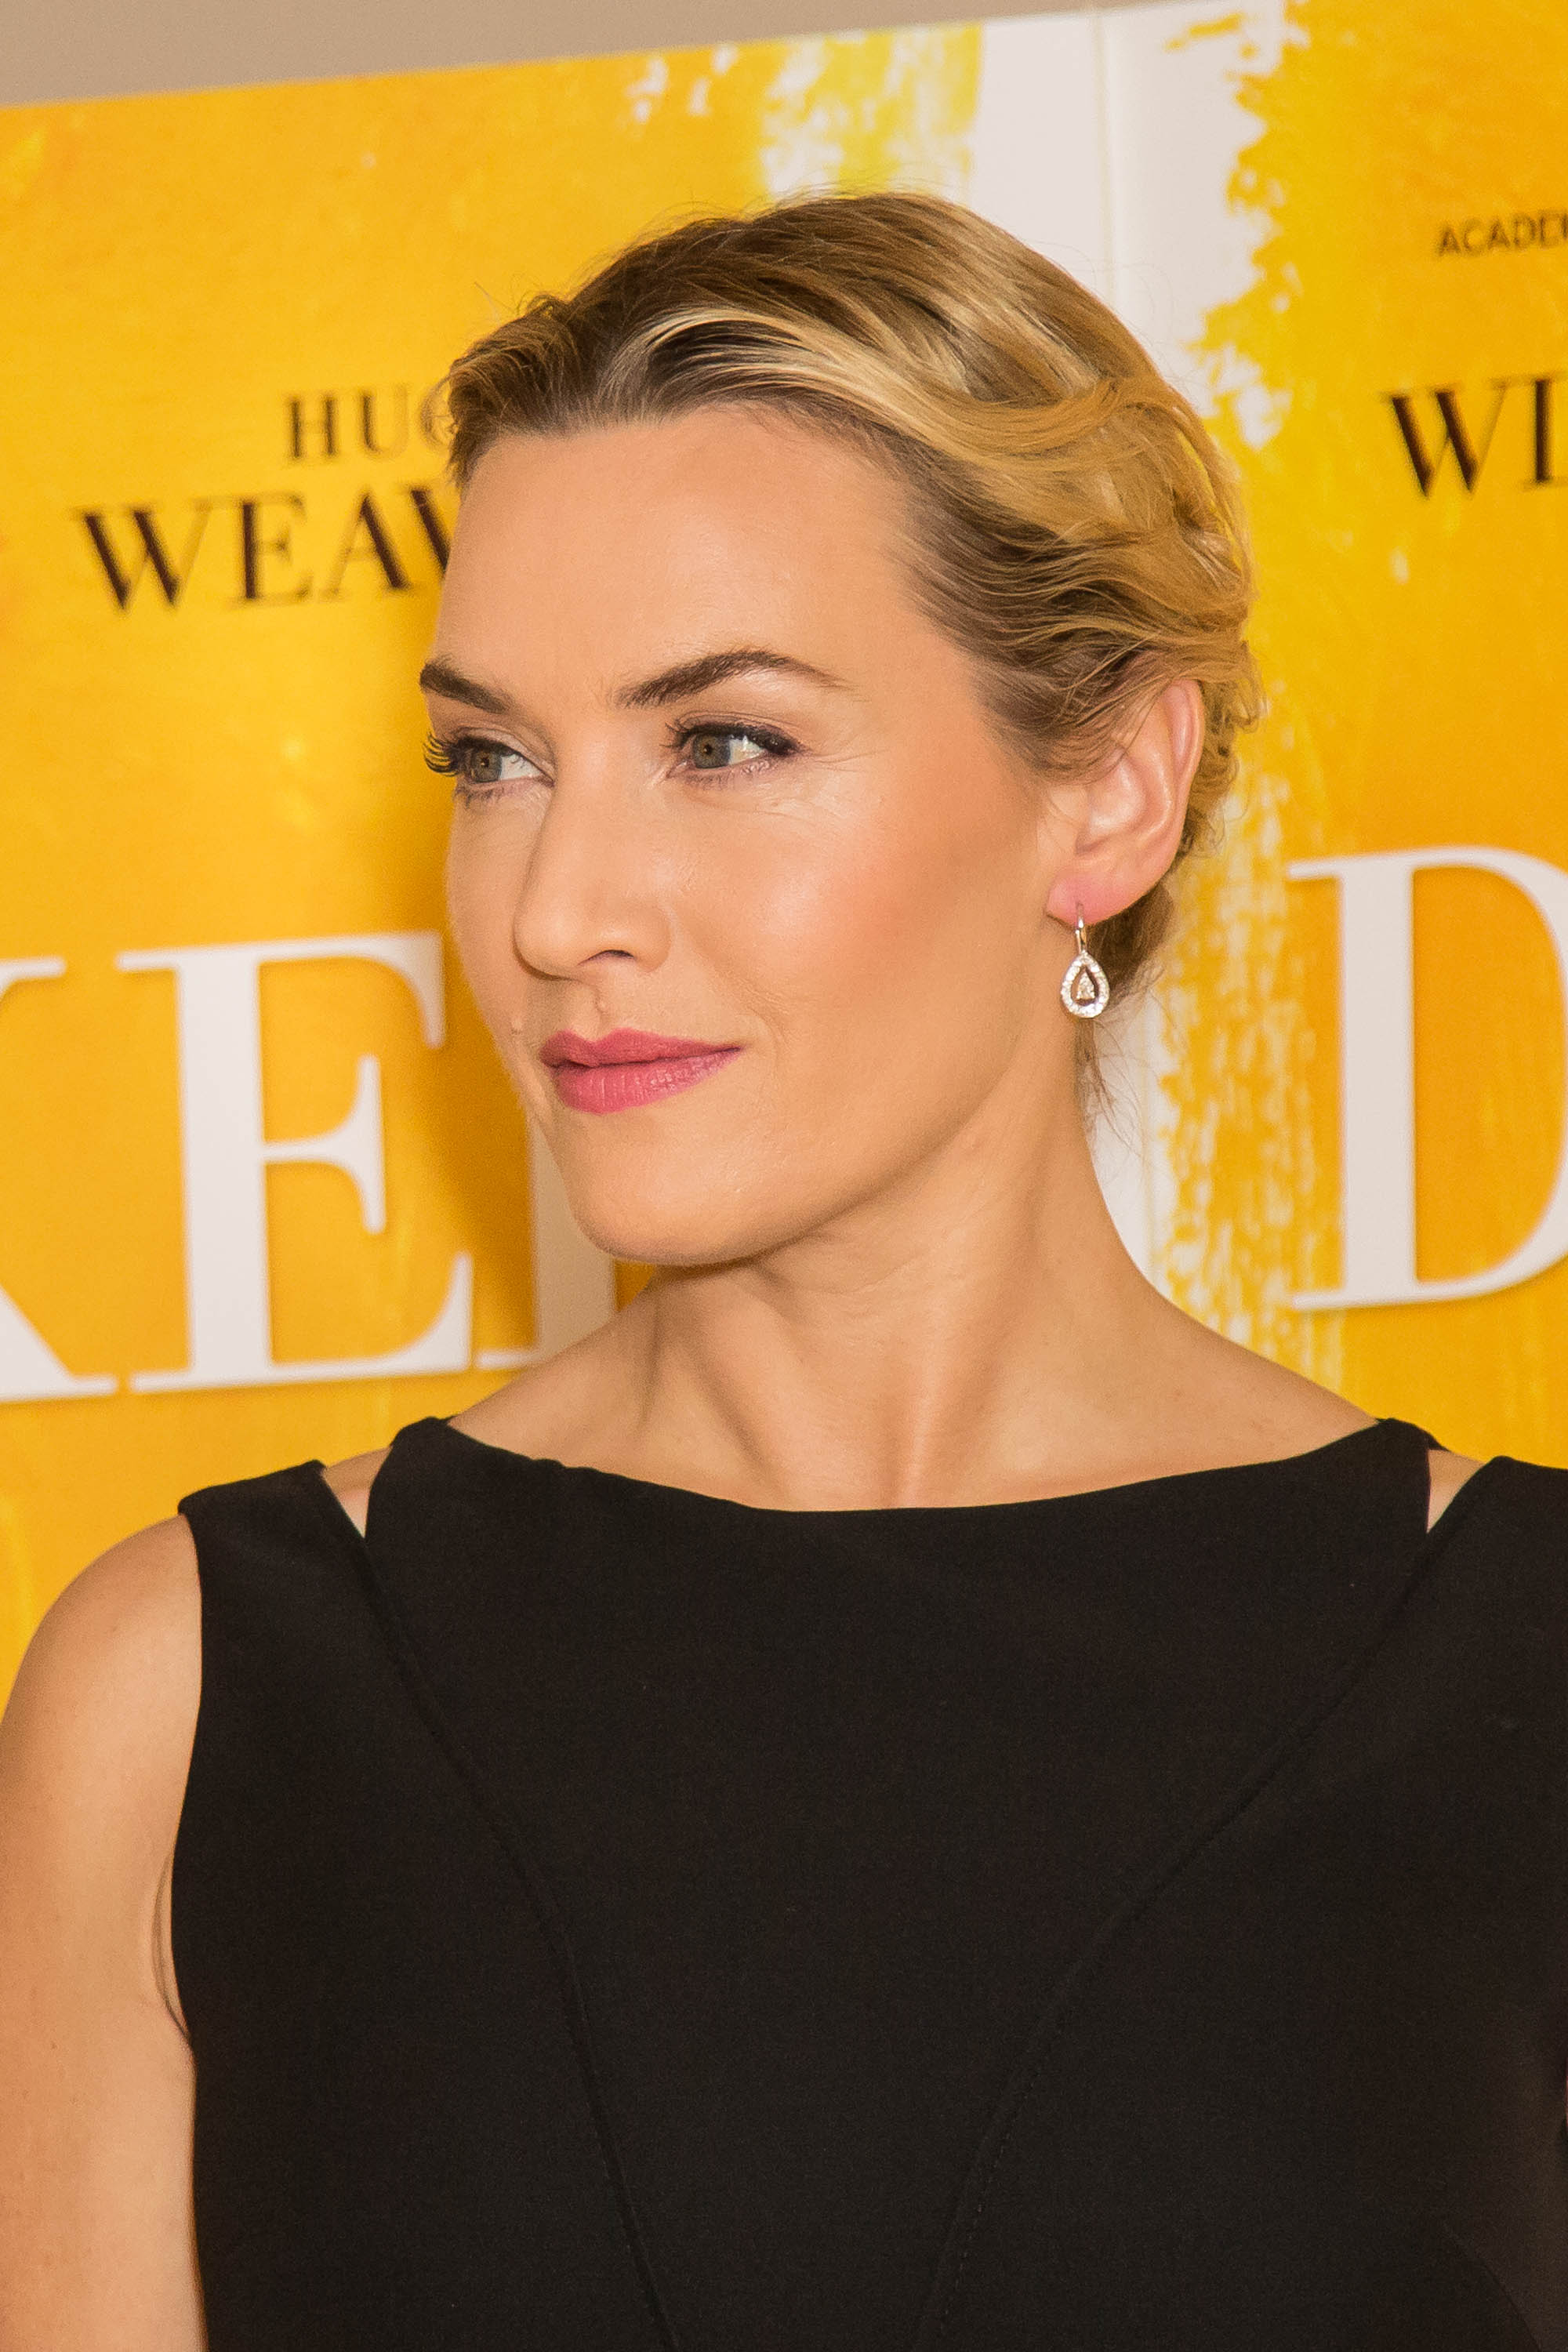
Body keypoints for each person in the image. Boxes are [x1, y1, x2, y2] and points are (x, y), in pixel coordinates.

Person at [0, 191, 1562, 2352]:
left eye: (725, 742)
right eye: (493, 761)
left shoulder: (1522, 1668)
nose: (555, 908)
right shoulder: (188, 1697)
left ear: (1111, 790)